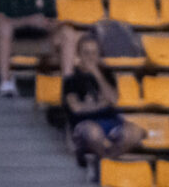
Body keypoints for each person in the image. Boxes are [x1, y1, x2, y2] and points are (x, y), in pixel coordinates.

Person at [61, 34, 145, 164]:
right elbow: (76, 108)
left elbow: (113, 99)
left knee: (135, 133)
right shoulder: (72, 80)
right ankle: (104, 163)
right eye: (86, 53)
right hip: (84, 124)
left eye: (94, 53)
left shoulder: (106, 74)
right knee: (94, 133)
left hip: (110, 121)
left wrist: (97, 74)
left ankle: (104, 161)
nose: (90, 57)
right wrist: (101, 105)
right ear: (79, 55)